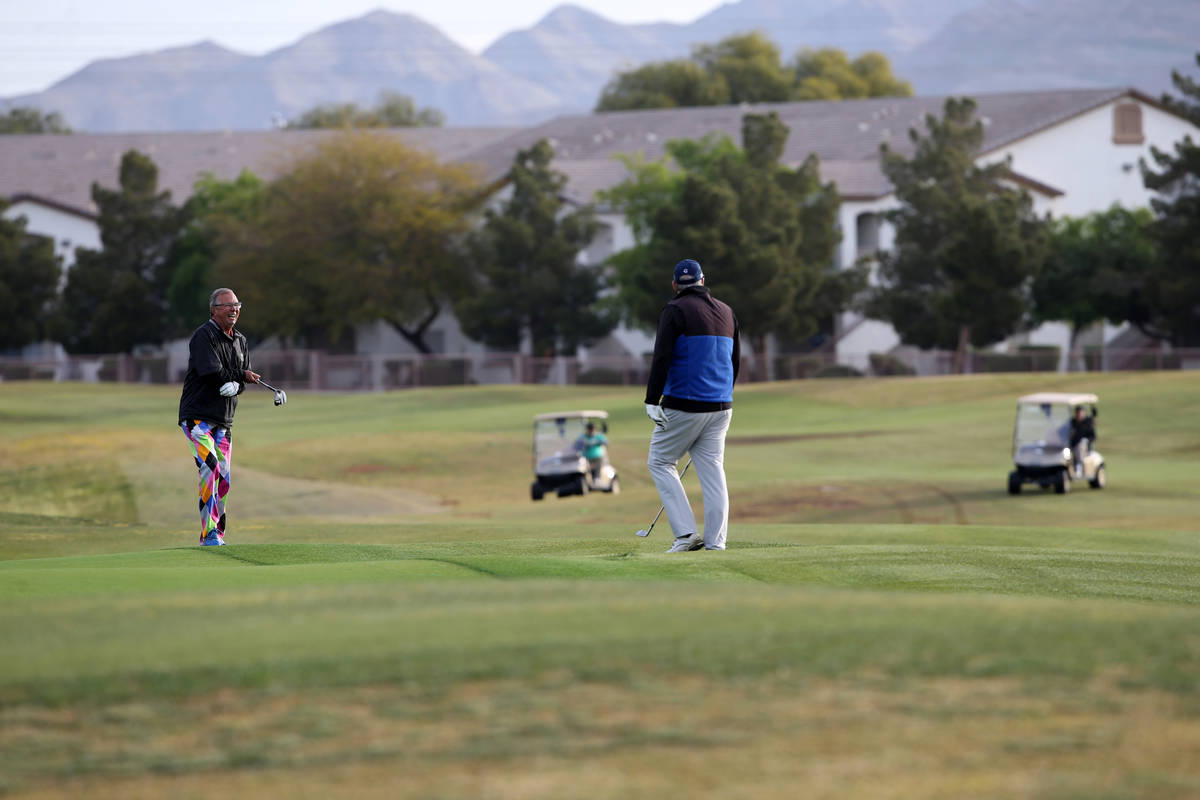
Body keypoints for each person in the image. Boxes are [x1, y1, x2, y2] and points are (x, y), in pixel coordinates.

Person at [644, 259, 740, 553]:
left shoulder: (674, 309)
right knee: (713, 470)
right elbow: (735, 362)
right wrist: (722, 394)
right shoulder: (727, 311)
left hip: (685, 405)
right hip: (722, 406)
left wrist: (651, 399)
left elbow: (661, 357)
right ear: (702, 281)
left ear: (675, 285)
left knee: (660, 461)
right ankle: (716, 542)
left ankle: (686, 534)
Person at [178, 288, 260, 546]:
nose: (233, 309)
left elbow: (241, 376)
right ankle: (209, 535)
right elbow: (210, 371)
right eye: (227, 305)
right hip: (197, 417)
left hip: (223, 421)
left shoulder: (241, 341)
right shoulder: (203, 336)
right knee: (210, 466)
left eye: (236, 305)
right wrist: (240, 377)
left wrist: (239, 385)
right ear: (213, 310)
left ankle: (218, 534)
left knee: (224, 478)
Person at [1068, 405, 1096, 477]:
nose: (1079, 415)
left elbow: (1092, 436)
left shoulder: (1087, 422)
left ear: (1083, 413)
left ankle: (1079, 467)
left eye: (1080, 413)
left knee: (1080, 446)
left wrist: (1086, 440)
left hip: (1085, 445)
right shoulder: (1072, 422)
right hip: (1073, 443)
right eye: (1077, 413)